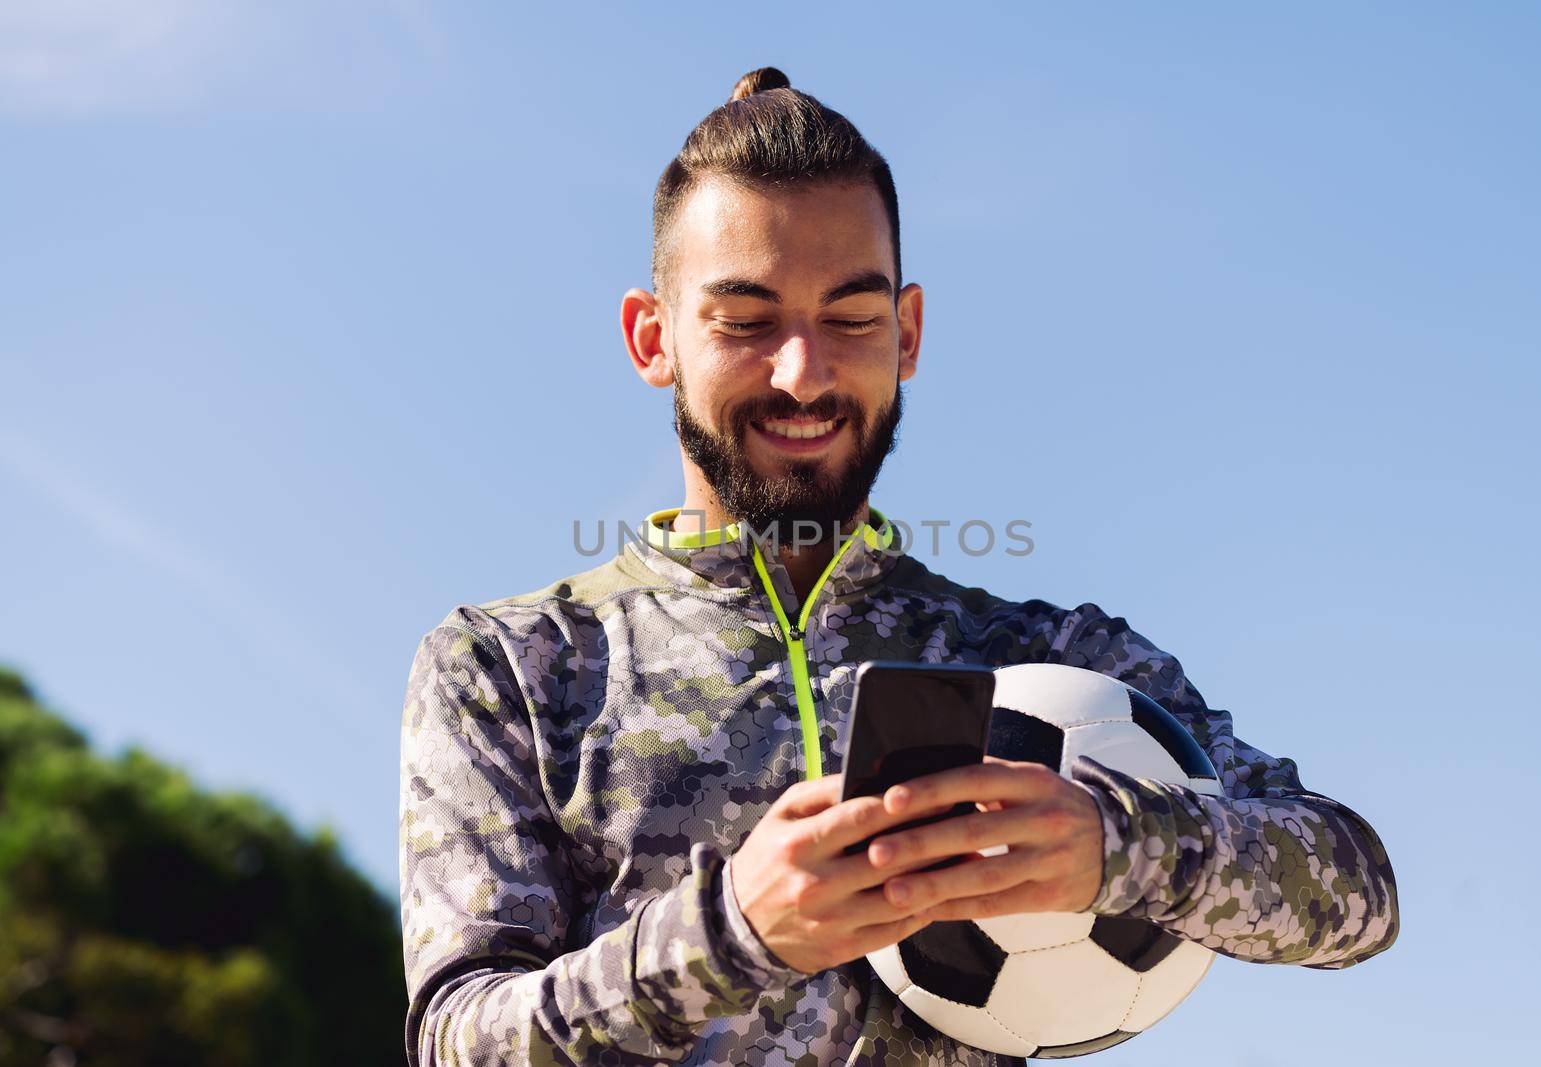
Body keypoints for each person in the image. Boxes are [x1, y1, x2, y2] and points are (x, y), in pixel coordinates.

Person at [398, 67, 1398, 1067]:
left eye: (852, 317)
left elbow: (1357, 891)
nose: (804, 371)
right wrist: (731, 931)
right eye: (746, 320)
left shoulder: (1040, 656)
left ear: (907, 332)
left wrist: (1114, 839)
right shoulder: (510, 666)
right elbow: (453, 1041)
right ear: (652, 338)